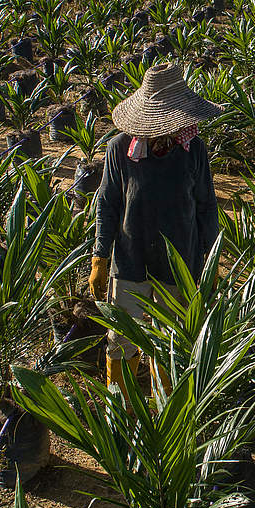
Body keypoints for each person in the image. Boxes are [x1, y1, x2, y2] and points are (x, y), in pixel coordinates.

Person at [89, 62, 222, 393]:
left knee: (171, 340)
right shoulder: (119, 149)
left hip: (179, 262)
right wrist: (100, 257)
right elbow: (107, 204)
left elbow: (206, 205)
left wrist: (211, 258)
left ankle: (165, 408)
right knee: (121, 339)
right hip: (131, 260)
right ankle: (120, 409)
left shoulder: (193, 150)